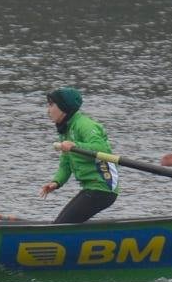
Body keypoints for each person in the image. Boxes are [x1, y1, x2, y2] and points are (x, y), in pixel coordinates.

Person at [40, 87, 119, 223]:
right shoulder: (66, 131)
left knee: (61, 225)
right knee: (61, 223)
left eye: (52, 105)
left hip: (103, 188)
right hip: (90, 187)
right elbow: (65, 164)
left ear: (64, 107)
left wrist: (75, 146)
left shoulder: (84, 125)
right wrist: (56, 182)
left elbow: (103, 150)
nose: (48, 110)